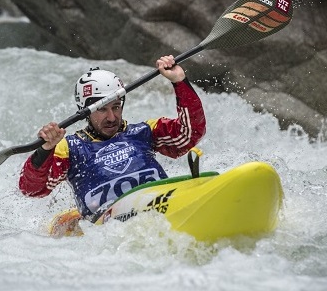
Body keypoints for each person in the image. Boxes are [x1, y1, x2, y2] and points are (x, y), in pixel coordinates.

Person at [19, 55, 206, 233]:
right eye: (102, 110)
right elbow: (32, 190)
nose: (111, 117)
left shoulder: (145, 132)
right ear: (84, 112)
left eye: (116, 107)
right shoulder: (69, 148)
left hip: (164, 206)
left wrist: (179, 81)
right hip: (108, 229)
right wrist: (45, 150)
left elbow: (190, 133)